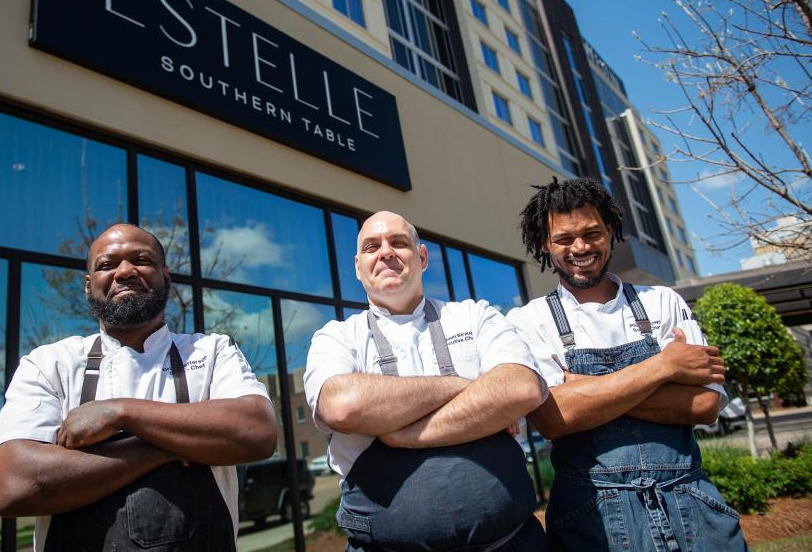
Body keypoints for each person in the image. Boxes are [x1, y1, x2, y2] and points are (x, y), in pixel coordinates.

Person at [0, 223, 277, 551]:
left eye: (141, 260)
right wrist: (168, 448)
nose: (125, 271)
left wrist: (120, 413)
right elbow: (15, 485)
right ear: (88, 286)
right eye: (107, 265)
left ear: (165, 278)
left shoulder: (211, 351)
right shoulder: (49, 364)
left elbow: (256, 432)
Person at [507, 178, 747, 550]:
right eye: (564, 239)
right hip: (592, 518)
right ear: (544, 245)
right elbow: (554, 419)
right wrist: (664, 368)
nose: (581, 247)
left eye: (592, 233)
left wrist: (585, 388)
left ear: (611, 233)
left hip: (691, 505)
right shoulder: (528, 320)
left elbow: (705, 405)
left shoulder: (663, 301)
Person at [304, 210, 548, 551]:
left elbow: (521, 387)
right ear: (358, 267)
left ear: (421, 257)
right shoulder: (337, 337)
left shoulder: (474, 315)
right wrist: (467, 386)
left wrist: (401, 433)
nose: (386, 252)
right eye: (372, 246)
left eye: (398, 243)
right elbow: (341, 405)